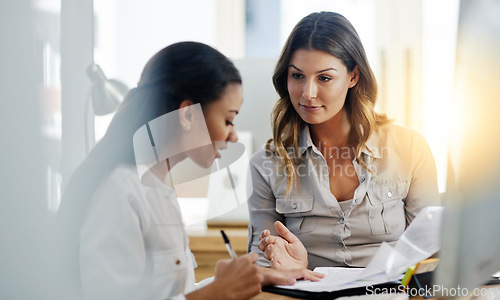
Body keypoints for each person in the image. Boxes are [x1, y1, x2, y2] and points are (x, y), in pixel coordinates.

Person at [57, 41, 323, 300]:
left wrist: (252, 276)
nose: (233, 137)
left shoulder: (158, 189)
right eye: (228, 119)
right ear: (187, 115)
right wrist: (215, 293)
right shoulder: (121, 192)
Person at [247, 12, 440, 270]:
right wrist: (290, 269)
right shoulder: (266, 164)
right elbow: (264, 264)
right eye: (297, 76)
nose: (308, 93)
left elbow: (430, 252)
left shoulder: (410, 148)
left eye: (324, 78)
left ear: (353, 76)